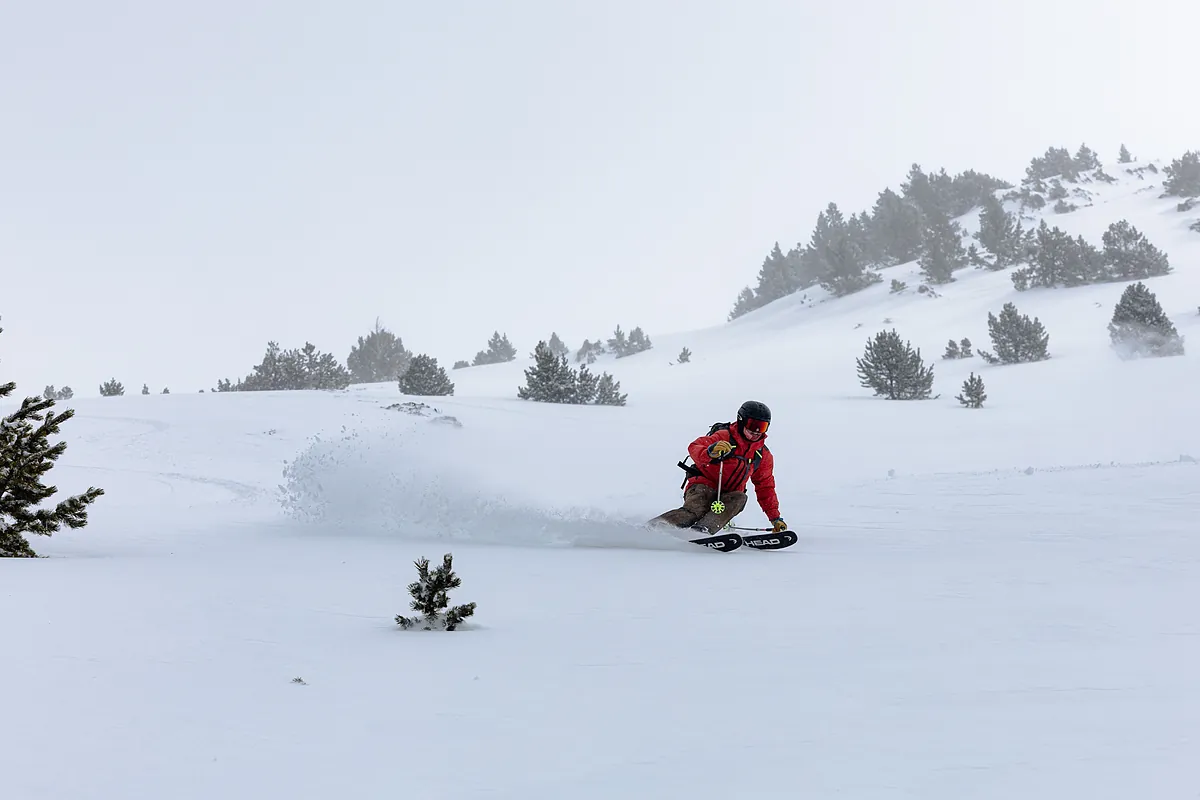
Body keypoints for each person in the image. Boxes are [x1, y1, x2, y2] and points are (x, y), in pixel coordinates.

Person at [649, 400, 786, 535]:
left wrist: (775, 518)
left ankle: (702, 532)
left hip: (729, 496)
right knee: (695, 512)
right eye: (752, 425)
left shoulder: (762, 455)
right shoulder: (724, 437)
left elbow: (765, 487)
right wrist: (710, 451)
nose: (756, 432)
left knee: (740, 497)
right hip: (703, 485)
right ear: (741, 421)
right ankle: (654, 527)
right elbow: (695, 446)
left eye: (761, 427)